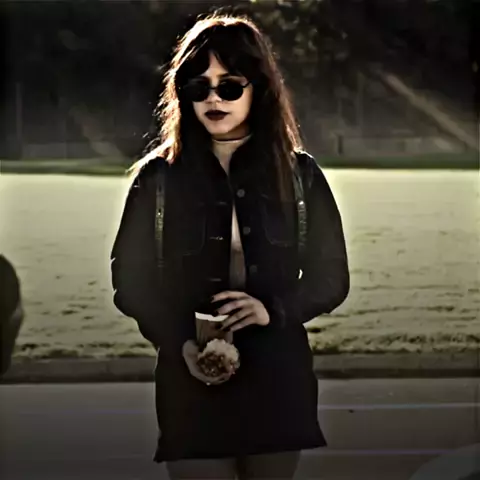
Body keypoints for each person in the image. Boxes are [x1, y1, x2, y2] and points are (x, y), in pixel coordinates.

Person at [110, 12, 349, 480]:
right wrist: (178, 341)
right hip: (189, 380)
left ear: (259, 88)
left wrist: (271, 311)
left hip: (277, 379)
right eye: (198, 87)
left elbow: (331, 277)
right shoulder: (157, 178)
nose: (213, 99)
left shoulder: (300, 175)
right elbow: (130, 280)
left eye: (229, 86)